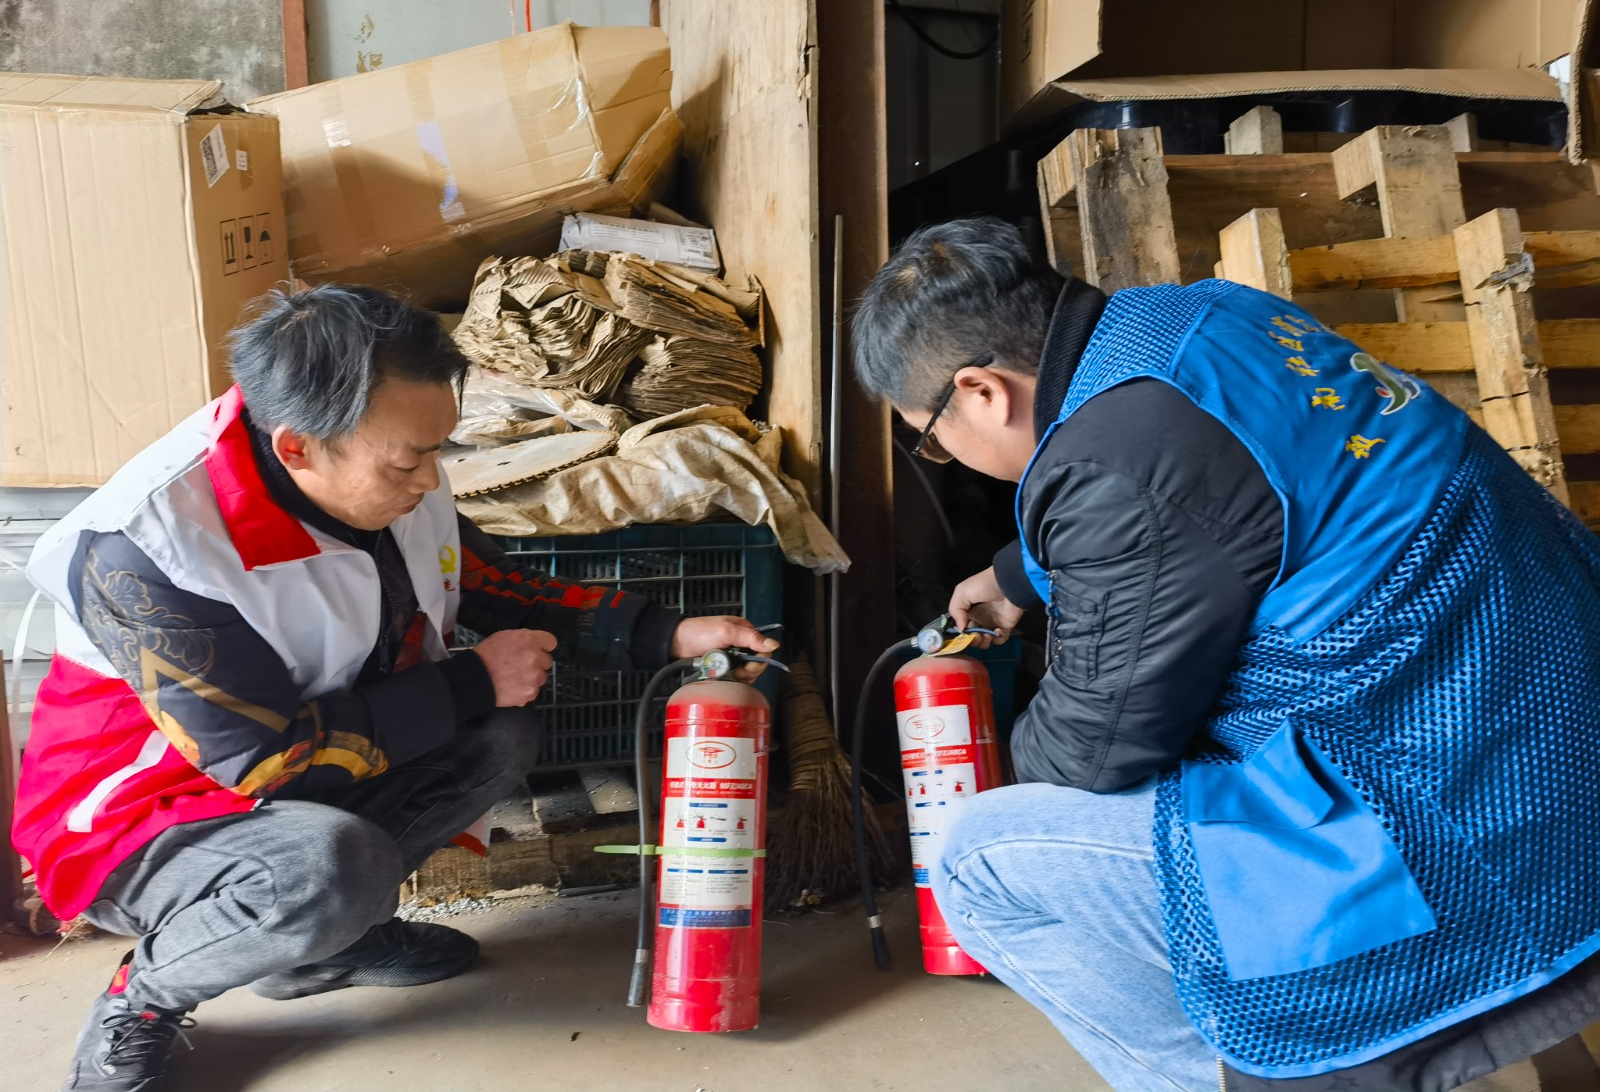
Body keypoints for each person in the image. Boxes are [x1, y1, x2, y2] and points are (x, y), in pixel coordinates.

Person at [850, 218, 1600, 1090]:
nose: (945, 455)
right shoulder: (1200, 317)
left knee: (981, 861)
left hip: (1460, 813)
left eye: (931, 434)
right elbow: (1224, 498)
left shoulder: (1113, 471)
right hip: (1555, 710)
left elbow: (1098, 753)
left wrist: (1028, 741)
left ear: (981, 391)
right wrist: (1022, 574)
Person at [13, 285, 776, 1092]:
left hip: (286, 781)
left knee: (501, 739)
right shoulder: (147, 547)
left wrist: (669, 632)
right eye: (410, 461)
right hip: (142, 819)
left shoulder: (392, 461)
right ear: (300, 446)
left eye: (438, 449)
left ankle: (326, 947)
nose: (429, 478)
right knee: (328, 867)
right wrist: (472, 680)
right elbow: (270, 764)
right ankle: (143, 1000)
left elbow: (482, 580)